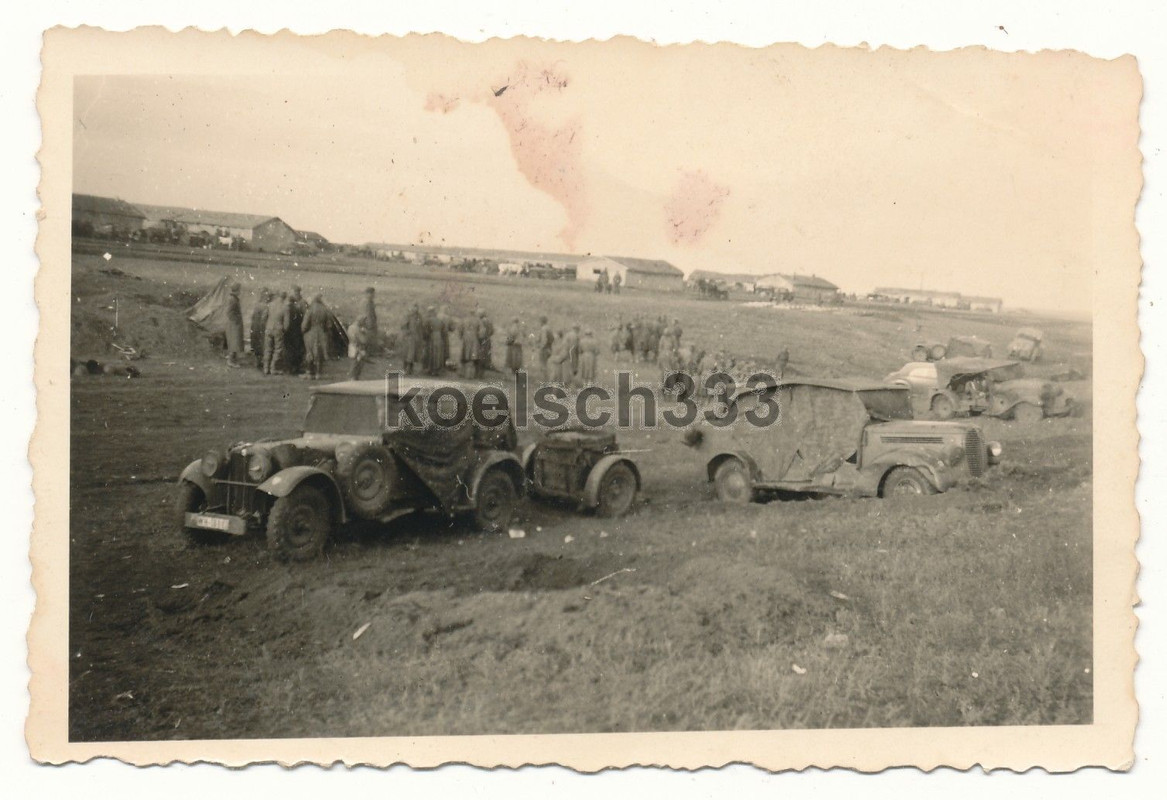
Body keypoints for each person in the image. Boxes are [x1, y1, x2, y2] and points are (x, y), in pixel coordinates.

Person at [300, 293, 331, 380]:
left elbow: (305, 324)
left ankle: (310, 373)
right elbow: (329, 325)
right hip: (321, 333)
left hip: (311, 332)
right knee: (319, 353)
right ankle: (318, 373)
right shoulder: (325, 309)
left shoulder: (310, 309)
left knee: (310, 352)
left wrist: (303, 331)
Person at [263, 291, 289, 375]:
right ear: (284, 298)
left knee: (268, 349)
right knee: (278, 349)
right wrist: (284, 330)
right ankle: (273, 368)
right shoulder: (285, 307)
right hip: (278, 329)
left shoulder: (270, 304)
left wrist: (266, 326)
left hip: (268, 328)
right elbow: (286, 323)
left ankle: (266, 368)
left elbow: (264, 317)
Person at [284, 285, 306, 374]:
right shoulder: (300, 303)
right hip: (295, 329)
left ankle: (293, 367)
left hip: (295, 329)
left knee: (294, 349)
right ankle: (294, 367)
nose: (296, 293)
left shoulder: (301, 303)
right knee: (295, 348)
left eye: (297, 292)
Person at [249, 288, 271, 370]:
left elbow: (253, 317)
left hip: (254, 326)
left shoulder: (257, 305)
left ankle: (257, 361)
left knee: (255, 343)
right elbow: (263, 319)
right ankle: (260, 362)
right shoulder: (265, 306)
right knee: (261, 343)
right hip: (261, 327)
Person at [224, 282, 244, 368]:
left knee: (235, 341)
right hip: (234, 324)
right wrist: (235, 320)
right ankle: (231, 361)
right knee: (235, 342)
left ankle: (233, 359)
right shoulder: (233, 299)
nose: (240, 291)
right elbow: (229, 312)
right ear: (236, 290)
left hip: (235, 324)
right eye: (239, 290)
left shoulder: (234, 298)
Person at [400, 303, 424, 375]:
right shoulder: (408, 316)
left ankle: (410, 369)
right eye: (414, 307)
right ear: (411, 308)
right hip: (409, 337)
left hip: (416, 337)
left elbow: (421, 327)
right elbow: (403, 326)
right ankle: (405, 369)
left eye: (416, 307)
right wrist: (407, 332)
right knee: (408, 353)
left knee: (413, 354)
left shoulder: (419, 316)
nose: (415, 309)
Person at [347, 316, 370, 380]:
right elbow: (363, 340)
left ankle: (352, 377)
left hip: (352, 346)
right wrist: (365, 333)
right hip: (358, 347)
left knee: (354, 363)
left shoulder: (350, 327)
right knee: (357, 364)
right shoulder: (357, 329)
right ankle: (353, 378)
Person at [475, 308, 494, 377]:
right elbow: (492, 331)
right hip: (487, 339)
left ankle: (479, 371)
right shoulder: (489, 321)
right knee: (486, 354)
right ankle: (484, 368)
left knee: (480, 354)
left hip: (481, 339)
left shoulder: (480, 321)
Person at [361, 287, 379, 354]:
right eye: (372, 294)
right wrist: (370, 324)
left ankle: (369, 352)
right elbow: (368, 314)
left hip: (371, 322)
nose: (374, 295)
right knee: (368, 338)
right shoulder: (367, 302)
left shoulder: (370, 302)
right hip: (369, 323)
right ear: (368, 294)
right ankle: (368, 353)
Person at [563, 323, 581, 387]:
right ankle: (571, 383)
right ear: (577, 329)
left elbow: (564, 343)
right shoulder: (576, 336)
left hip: (566, 352)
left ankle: (566, 381)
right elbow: (577, 347)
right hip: (573, 353)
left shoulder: (567, 334)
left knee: (566, 367)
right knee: (573, 367)